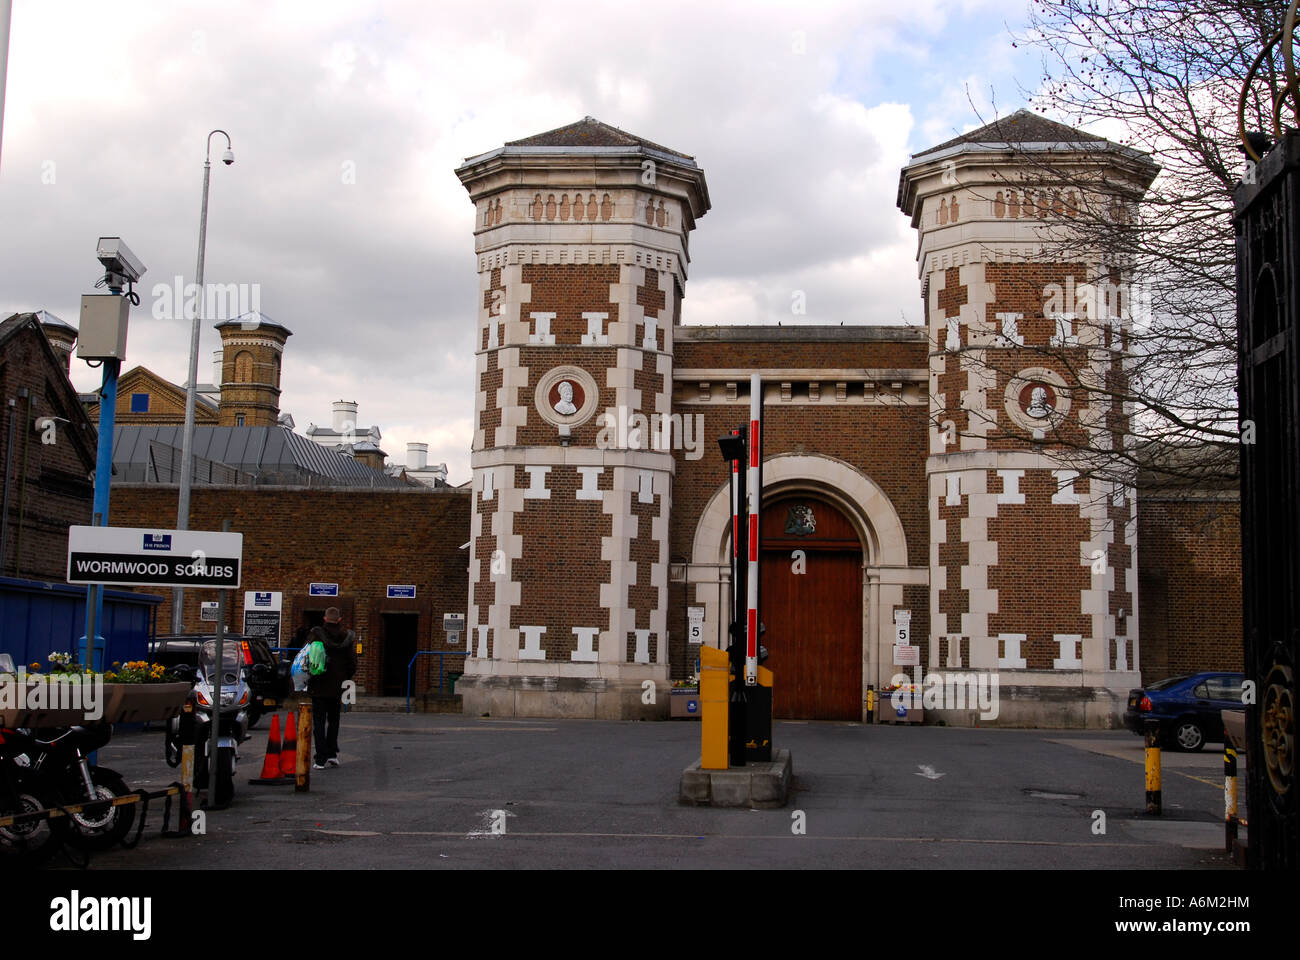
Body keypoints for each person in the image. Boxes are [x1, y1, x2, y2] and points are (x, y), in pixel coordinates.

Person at [307, 607, 357, 769]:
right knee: (334, 721)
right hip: (338, 686)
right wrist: (345, 678)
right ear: (340, 620)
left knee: (319, 723)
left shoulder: (316, 634)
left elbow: (307, 657)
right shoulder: (347, 637)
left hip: (319, 684)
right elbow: (352, 663)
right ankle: (332, 754)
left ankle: (320, 758)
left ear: (324, 618)